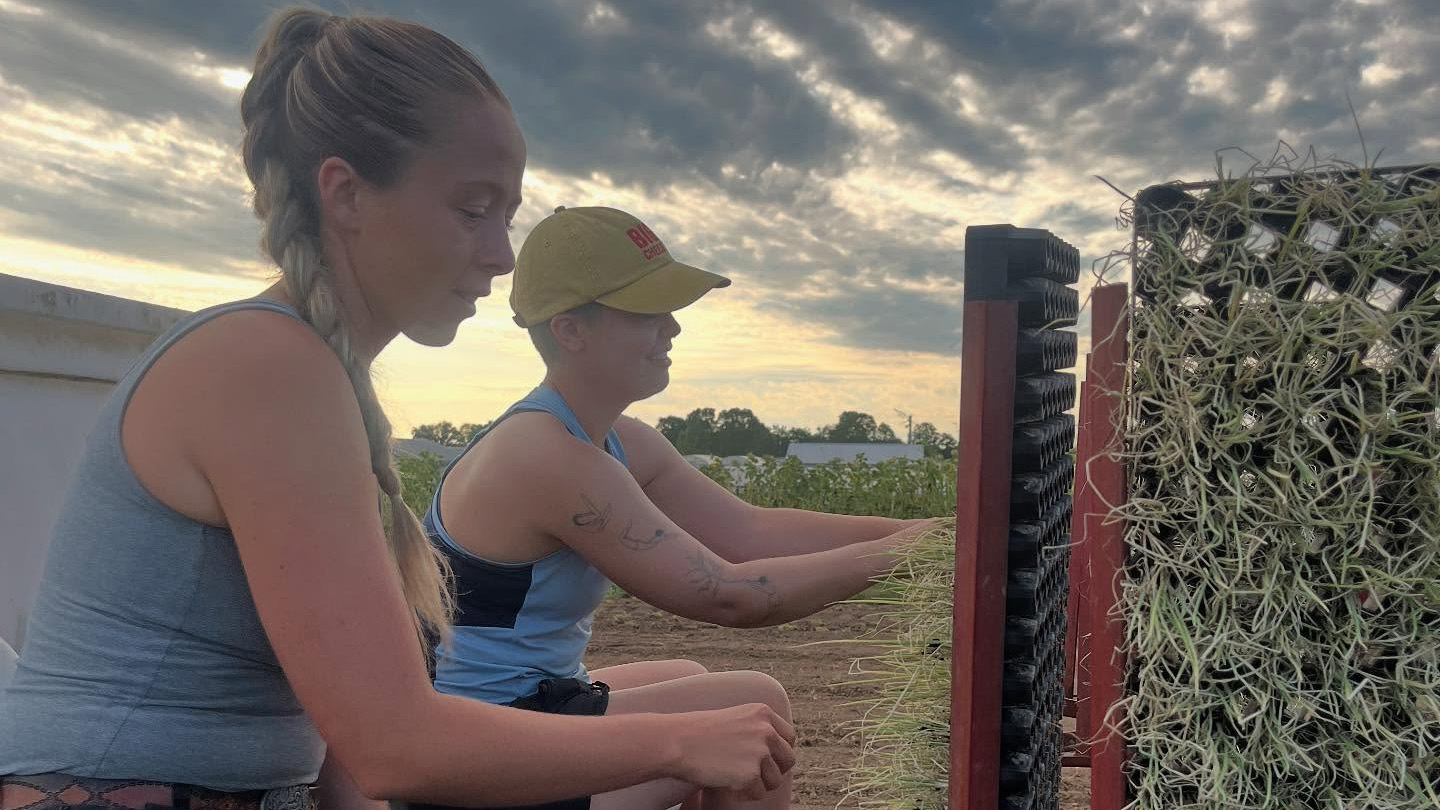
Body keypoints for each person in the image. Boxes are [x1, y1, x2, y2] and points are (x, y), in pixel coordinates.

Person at [0, 11, 795, 810]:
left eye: (508, 215)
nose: (502, 255)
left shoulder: (312, 375)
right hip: (110, 791)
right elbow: (393, 748)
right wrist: (679, 743)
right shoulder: (266, 366)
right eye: (473, 210)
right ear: (346, 194)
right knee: (728, 725)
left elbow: (351, 756)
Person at [422, 206, 938, 810]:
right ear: (570, 331)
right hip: (483, 744)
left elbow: (747, 531)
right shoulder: (547, 456)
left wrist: (932, 532)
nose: (672, 327)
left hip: (529, 703)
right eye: (647, 312)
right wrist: (905, 554)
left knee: (689, 678)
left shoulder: (614, 440)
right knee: (755, 707)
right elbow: (730, 595)